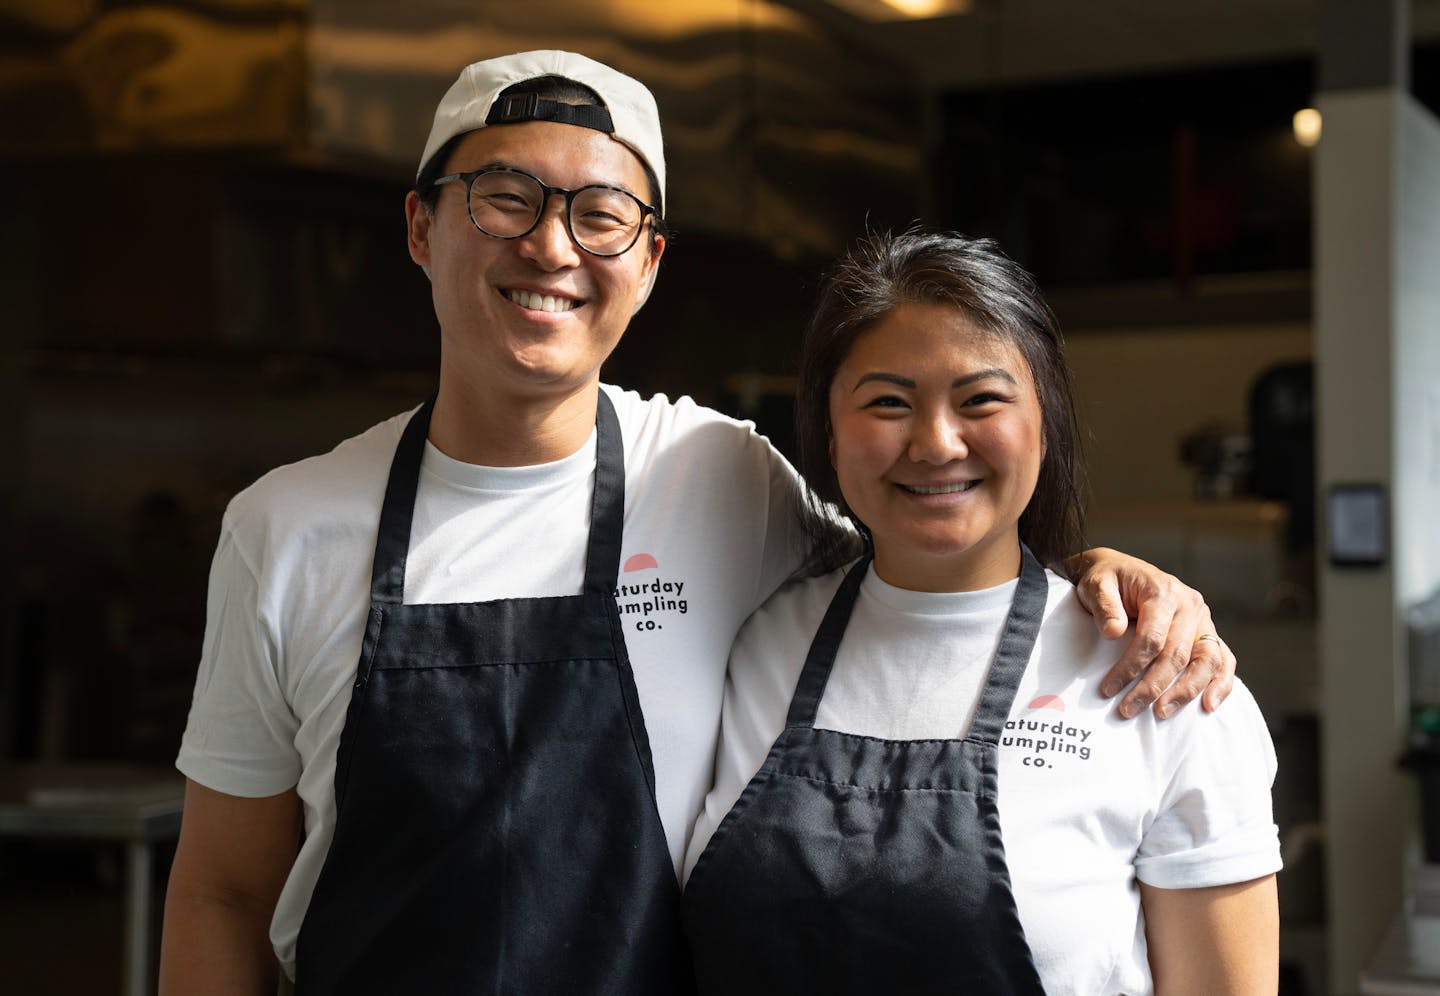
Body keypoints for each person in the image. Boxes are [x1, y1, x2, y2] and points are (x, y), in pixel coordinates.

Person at [159, 52, 1239, 995]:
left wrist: (1104, 578)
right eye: (503, 197)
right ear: (421, 225)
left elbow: (932, 545)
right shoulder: (285, 528)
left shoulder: (722, 475)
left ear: (648, 263)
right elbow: (221, 892)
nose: (551, 247)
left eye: (600, 215)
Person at [682, 231, 1280, 994]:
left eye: (982, 400)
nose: (935, 444)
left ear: (1046, 421)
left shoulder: (1161, 680)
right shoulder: (755, 641)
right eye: (888, 403)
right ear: (829, 430)